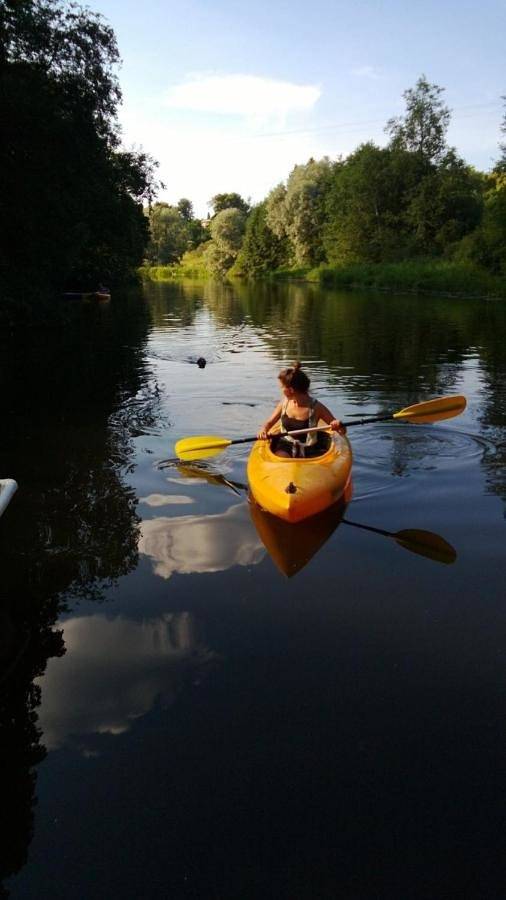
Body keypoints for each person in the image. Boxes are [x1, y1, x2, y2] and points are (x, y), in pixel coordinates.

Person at [257, 362, 345, 458]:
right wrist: (264, 429)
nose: (280, 390)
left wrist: (338, 425)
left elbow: (342, 431)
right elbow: (269, 423)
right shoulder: (284, 403)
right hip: (285, 445)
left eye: (282, 387)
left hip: (310, 448)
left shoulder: (316, 407)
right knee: (281, 456)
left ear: (290, 390)